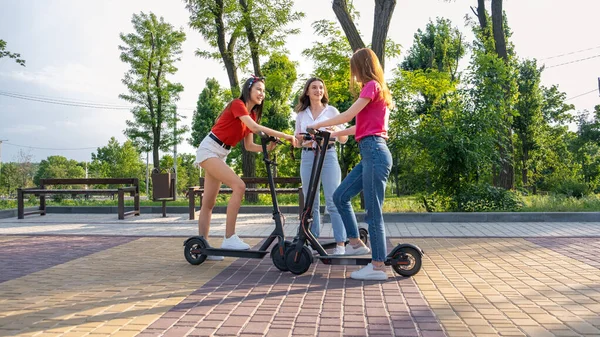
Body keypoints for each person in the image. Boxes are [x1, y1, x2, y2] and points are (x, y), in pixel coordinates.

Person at [308, 48, 394, 280]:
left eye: (354, 67)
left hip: (374, 151)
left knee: (373, 213)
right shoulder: (377, 90)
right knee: (340, 196)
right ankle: (355, 242)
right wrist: (332, 133)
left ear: (361, 66)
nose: (352, 72)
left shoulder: (371, 87)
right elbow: (359, 127)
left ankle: (377, 267)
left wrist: (317, 125)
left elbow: (347, 115)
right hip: (370, 151)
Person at [195, 75, 298, 260]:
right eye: (258, 89)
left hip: (220, 154)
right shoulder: (237, 105)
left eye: (264, 91)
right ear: (248, 89)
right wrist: (286, 136)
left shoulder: (252, 114)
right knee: (239, 186)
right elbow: (254, 127)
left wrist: (267, 147)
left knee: (208, 203)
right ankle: (229, 237)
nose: (262, 94)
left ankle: (203, 246)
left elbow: (249, 146)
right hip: (209, 150)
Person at [294, 77, 348, 255]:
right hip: (308, 157)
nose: (318, 90)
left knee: (334, 200)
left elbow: (344, 138)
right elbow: (297, 141)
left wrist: (334, 132)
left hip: (328, 155)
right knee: (311, 203)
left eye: (321, 88)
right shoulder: (302, 115)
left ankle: (341, 243)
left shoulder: (332, 111)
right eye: (314, 87)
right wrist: (302, 140)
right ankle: (313, 240)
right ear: (307, 92)